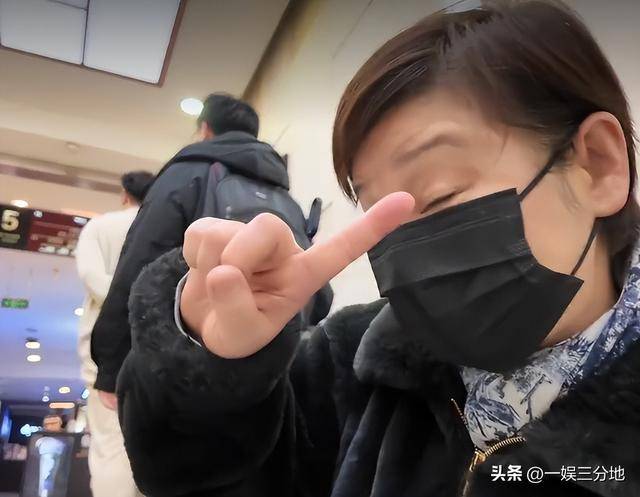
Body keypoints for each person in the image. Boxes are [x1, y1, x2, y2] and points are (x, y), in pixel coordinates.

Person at [117, 1, 640, 496]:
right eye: (379, 219)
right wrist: (211, 374)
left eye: (439, 196)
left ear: (598, 164)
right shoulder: (352, 364)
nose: (411, 249)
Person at [90, 94, 333, 406]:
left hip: (188, 370)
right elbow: (316, 291)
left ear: (205, 129)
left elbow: (141, 260)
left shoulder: (187, 173)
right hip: (276, 370)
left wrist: (111, 365)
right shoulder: (284, 196)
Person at [76, 170, 154, 497]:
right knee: (152, 442)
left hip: (106, 346)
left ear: (124, 194)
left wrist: (125, 297)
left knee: (110, 444)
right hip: (153, 341)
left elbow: (91, 275)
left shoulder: (100, 226)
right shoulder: (162, 225)